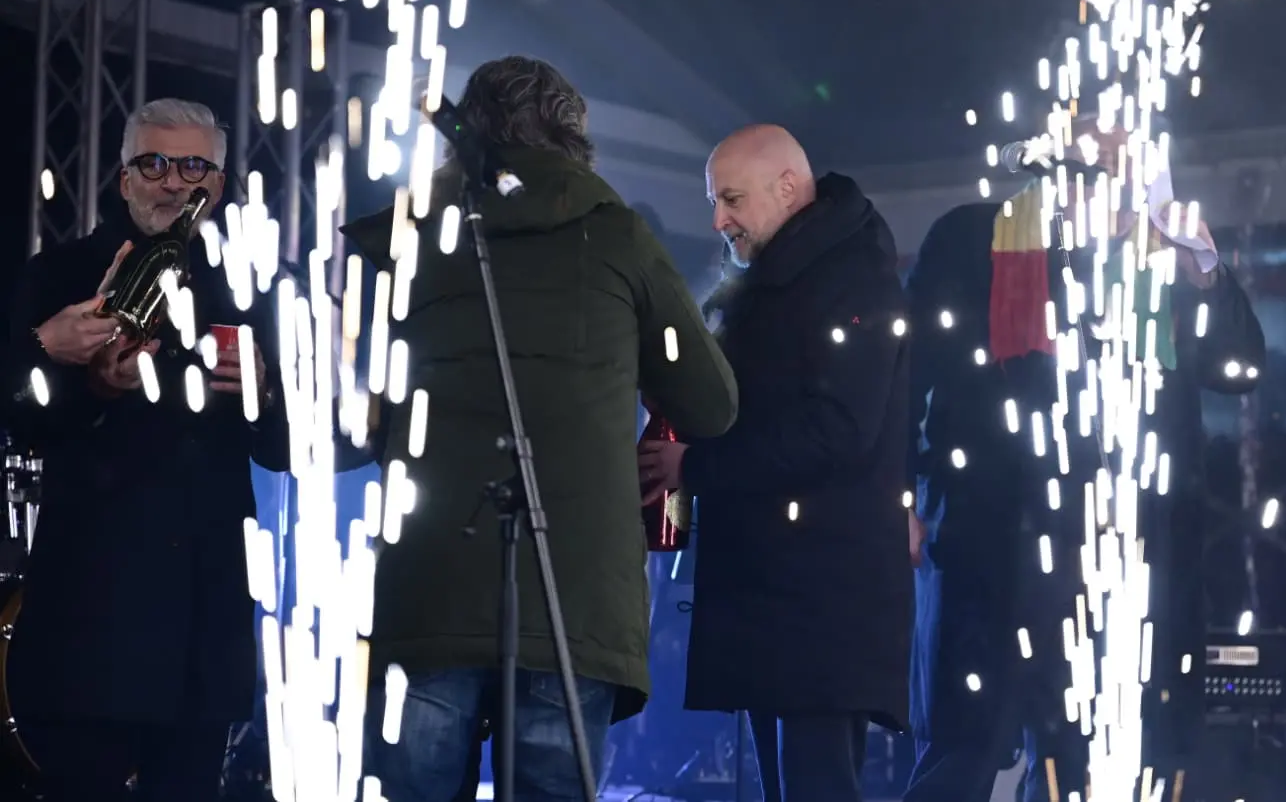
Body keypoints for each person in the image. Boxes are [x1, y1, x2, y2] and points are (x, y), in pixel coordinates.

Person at [347, 56, 738, 801]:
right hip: (573, 593)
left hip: (429, 581)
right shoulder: (617, 236)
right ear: (572, 136)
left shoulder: (409, 237)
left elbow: (354, 413)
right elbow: (711, 404)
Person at [902, 116, 1266, 802]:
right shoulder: (974, 239)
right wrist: (898, 499)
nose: (1109, 189)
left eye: (1129, 175)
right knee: (963, 750)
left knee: (1086, 765)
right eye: (1091, 169)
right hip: (992, 543)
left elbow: (1240, 367)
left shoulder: (1161, 262)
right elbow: (904, 372)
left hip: (1120, 559)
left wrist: (1204, 270)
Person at [4, 98, 289, 801]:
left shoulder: (254, 291)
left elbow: (290, 450)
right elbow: (20, 420)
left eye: (192, 167)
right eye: (154, 164)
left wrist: (266, 391)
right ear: (124, 177)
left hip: (204, 624)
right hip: (89, 621)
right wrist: (85, 381)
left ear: (217, 183)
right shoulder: (60, 274)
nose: (172, 182)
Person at [637, 124, 913, 802]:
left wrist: (697, 466)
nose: (717, 219)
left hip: (818, 593)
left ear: (787, 188)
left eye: (731, 199)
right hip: (786, 588)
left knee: (814, 784)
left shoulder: (851, 279)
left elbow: (837, 430)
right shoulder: (791, 278)